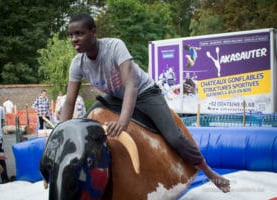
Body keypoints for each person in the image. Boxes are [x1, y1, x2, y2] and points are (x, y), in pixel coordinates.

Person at [60, 13, 230, 193]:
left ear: (93, 32)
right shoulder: (77, 64)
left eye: (79, 34)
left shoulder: (115, 46)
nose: (74, 39)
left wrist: (123, 122)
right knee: (89, 117)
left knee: (174, 136)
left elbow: (131, 86)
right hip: (115, 99)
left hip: (144, 93)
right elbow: (70, 101)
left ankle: (208, 171)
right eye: (71, 35)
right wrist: (61, 132)